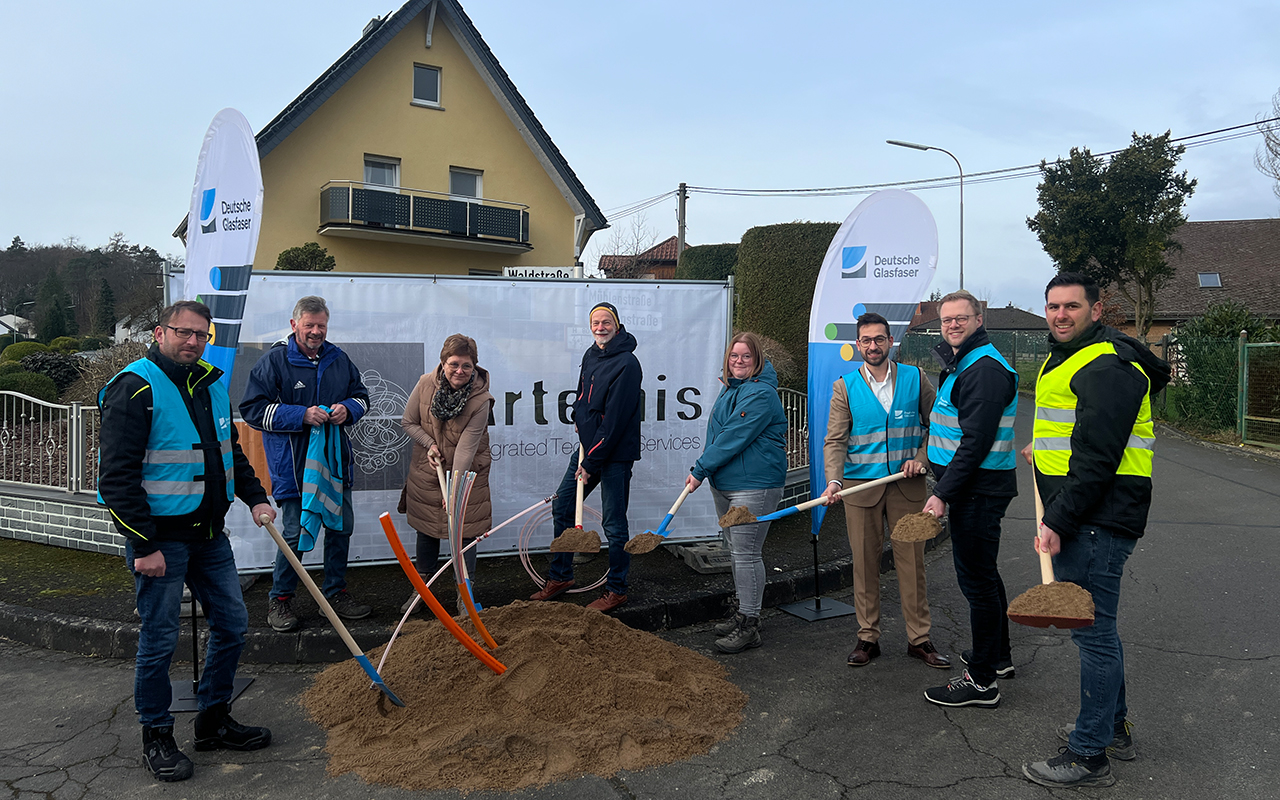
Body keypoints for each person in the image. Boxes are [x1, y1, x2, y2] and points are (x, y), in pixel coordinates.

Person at [98, 300, 276, 783]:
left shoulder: (211, 384)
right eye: (184, 333)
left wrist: (256, 497)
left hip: (209, 536)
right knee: (158, 641)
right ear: (160, 333)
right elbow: (116, 479)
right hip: (161, 542)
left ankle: (213, 719)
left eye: (201, 335)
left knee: (234, 625)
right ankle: (156, 735)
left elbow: (228, 452)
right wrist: (144, 545)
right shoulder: (134, 388)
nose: (193, 341)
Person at [1020, 273, 1169, 788]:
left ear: (1096, 309)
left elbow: (1098, 457)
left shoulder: (1106, 364)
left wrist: (1058, 521)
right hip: (1087, 514)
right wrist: (1040, 452)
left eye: (1072, 307)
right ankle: (1113, 728)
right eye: (1053, 307)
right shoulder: (1067, 356)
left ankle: (1089, 753)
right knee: (1099, 629)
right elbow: (1071, 433)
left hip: (1095, 520)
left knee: (1093, 635)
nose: (1060, 315)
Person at [820, 312, 948, 669]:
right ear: (857, 345)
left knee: (913, 564)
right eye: (866, 340)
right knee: (864, 564)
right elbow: (835, 441)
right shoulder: (845, 386)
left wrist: (921, 457)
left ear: (891, 342)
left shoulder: (915, 378)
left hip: (907, 488)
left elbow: (936, 425)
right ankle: (867, 637)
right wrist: (835, 481)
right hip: (860, 489)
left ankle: (919, 639)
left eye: (879, 339)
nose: (873, 346)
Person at [240, 295, 371, 632]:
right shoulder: (273, 361)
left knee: (341, 528)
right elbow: (252, 410)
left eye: (321, 325)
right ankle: (280, 599)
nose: (316, 331)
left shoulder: (338, 358)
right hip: (294, 468)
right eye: (310, 325)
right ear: (294, 324)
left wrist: (348, 409)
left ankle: (335, 594)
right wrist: (302, 415)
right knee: (295, 533)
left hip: (335, 464)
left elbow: (362, 397)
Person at [921, 289, 1019, 708]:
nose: (953, 325)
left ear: (980, 319)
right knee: (985, 574)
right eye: (947, 320)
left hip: (976, 490)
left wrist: (942, 493)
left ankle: (982, 683)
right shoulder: (965, 362)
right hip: (976, 487)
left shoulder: (983, 369)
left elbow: (975, 443)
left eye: (962, 318)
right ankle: (996, 658)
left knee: (976, 583)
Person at [530, 301, 643, 612]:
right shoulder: (591, 355)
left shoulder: (628, 364)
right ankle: (561, 576)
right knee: (563, 506)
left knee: (614, 525)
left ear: (617, 326)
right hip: (588, 448)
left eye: (606, 322)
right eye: (595, 322)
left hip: (615, 455)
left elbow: (616, 420)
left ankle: (617, 589)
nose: (600, 327)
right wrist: (579, 419)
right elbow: (583, 397)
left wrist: (591, 463)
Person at [686, 332, 788, 653]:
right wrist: (711, 472)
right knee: (737, 551)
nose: (739, 362)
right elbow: (717, 434)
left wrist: (700, 470)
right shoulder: (732, 389)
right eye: (734, 356)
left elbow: (733, 436)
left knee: (745, 553)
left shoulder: (760, 394)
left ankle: (749, 625)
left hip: (754, 484)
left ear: (757, 360)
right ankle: (744, 610)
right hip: (728, 484)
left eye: (746, 356)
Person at [399, 334, 495, 613]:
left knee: (465, 532)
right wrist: (429, 444)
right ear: (443, 363)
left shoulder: (481, 400)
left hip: (466, 473)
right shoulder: (424, 384)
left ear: (475, 367)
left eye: (467, 366)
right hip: (428, 470)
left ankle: (464, 594)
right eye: (454, 364)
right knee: (428, 529)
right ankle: (421, 593)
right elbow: (409, 421)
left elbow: (466, 448)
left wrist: (454, 489)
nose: (460, 371)